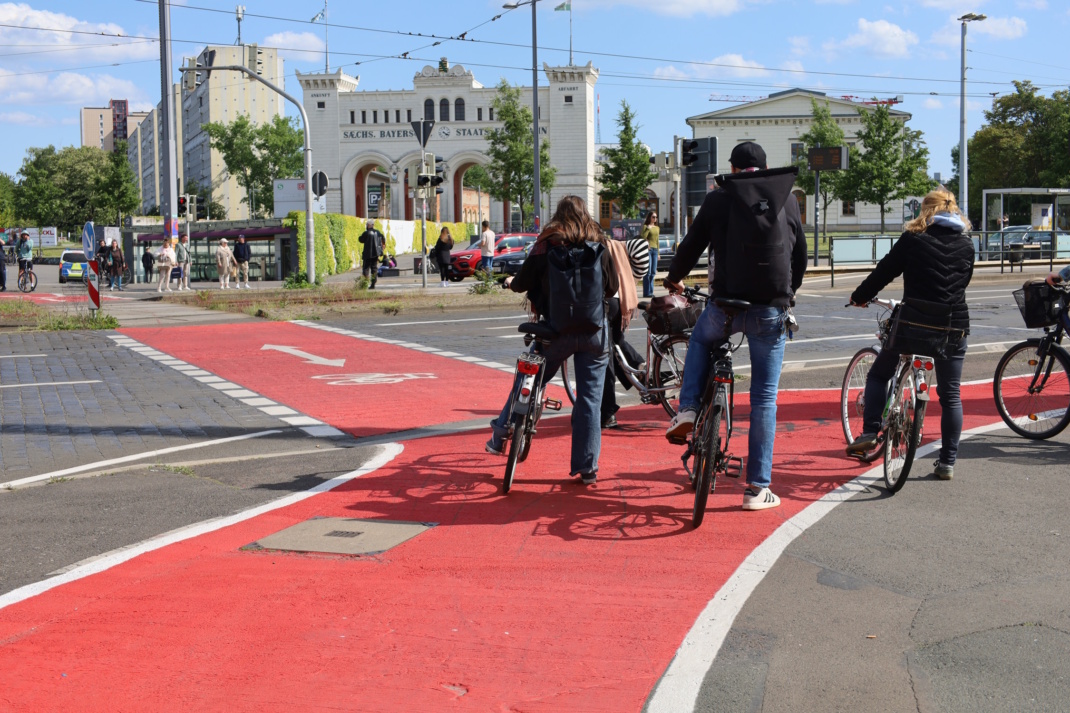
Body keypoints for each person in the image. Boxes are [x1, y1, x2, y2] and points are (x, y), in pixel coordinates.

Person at [663, 141, 807, 511]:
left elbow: (693, 244)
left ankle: (690, 408)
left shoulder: (718, 197)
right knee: (763, 398)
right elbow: (800, 255)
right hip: (770, 310)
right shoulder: (787, 199)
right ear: (765, 167)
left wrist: (674, 278)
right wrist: (788, 293)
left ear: (733, 166)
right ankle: (757, 489)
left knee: (699, 340)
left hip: (726, 305)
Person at [485, 195, 619, 485]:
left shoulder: (548, 241)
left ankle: (499, 436)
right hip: (594, 332)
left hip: (555, 331)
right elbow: (612, 286)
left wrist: (512, 284)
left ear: (558, 214)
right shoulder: (599, 241)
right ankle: (587, 469)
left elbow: (523, 281)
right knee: (589, 400)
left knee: (529, 379)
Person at [846, 189, 975, 481]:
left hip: (913, 323)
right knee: (951, 394)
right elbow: (963, 282)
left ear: (926, 211)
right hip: (953, 325)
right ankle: (947, 463)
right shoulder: (967, 244)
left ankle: (869, 430)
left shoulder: (913, 238)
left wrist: (859, 296)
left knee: (880, 374)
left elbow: (885, 272)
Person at [601, 236, 649, 429]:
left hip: (607, 301)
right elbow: (641, 246)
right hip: (621, 302)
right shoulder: (617, 245)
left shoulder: (601, 245)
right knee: (617, 342)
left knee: (606, 356)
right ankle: (640, 367)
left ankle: (607, 411)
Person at [359, 220, 385, 289]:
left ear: (368, 225)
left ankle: (365, 283)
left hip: (367, 254)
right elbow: (383, 240)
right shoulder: (378, 232)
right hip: (375, 254)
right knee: (374, 269)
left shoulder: (366, 233)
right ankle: (373, 284)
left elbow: (361, 239)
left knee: (366, 269)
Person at [640, 211, 660, 298]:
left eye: (656, 217)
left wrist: (658, 253)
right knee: (647, 273)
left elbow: (657, 241)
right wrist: (648, 228)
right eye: (653, 217)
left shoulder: (657, 228)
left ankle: (650, 292)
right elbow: (643, 237)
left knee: (653, 272)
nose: (655, 219)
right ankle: (646, 293)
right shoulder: (645, 226)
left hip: (655, 251)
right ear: (649, 218)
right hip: (648, 250)